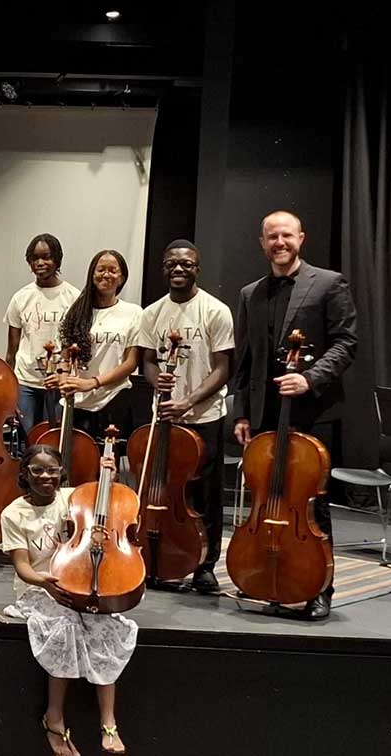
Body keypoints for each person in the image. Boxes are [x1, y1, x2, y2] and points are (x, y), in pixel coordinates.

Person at [232, 210, 358, 619]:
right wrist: (242, 414)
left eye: (286, 235)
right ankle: (273, 579)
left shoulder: (328, 283)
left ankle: (320, 588)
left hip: (311, 410)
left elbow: (345, 343)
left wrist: (309, 378)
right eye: (272, 237)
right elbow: (247, 360)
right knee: (269, 499)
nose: (279, 243)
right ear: (262, 242)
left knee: (311, 505)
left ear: (301, 238)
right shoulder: (251, 293)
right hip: (267, 413)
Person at [1, 445, 134, 756]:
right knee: (67, 625)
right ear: (25, 473)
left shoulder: (73, 497)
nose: (46, 476)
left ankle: (108, 720)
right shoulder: (12, 513)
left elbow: (108, 503)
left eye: (52, 470)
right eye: (37, 470)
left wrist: (108, 475)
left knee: (104, 626)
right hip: (37, 588)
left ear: (61, 472)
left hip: (75, 584)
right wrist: (44, 583)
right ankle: (54, 717)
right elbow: (22, 567)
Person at [136, 239, 235, 593]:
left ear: (197, 268)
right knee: (164, 490)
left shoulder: (215, 310)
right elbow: (147, 361)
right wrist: (156, 380)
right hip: (164, 413)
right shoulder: (152, 313)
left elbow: (223, 368)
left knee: (204, 495)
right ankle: (159, 553)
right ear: (164, 268)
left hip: (203, 415)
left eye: (186, 264)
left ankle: (205, 566)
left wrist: (188, 401)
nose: (179, 269)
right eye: (172, 264)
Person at [55, 250, 143, 443]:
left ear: (122, 278)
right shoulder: (76, 311)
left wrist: (93, 382)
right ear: (92, 274)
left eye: (113, 270)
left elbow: (131, 362)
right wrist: (63, 380)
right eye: (101, 269)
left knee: (108, 465)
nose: (106, 275)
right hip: (75, 400)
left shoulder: (134, 312)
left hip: (113, 398)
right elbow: (64, 357)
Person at [4, 234, 80, 434]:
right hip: (25, 380)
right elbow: (11, 350)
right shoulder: (20, 297)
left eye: (46, 257)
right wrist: (8, 390)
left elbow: (75, 346)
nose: (40, 263)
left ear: (57, 259)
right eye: (34, 258)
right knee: (26, 439)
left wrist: (62, 374)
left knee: (52, 439)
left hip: (58, 381)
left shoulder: (73, 296)